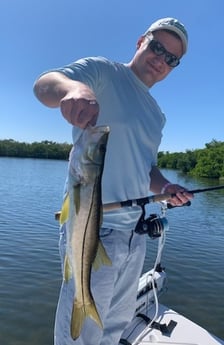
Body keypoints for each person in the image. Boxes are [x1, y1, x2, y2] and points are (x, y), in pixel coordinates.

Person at [33, 17, 193, 345]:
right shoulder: (105, 72)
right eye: (158, 47)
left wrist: (164, 188)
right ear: (140, 42)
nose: (161, 59)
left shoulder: (156, 114)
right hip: (94, 229)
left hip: (135, 237)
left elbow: (145, 169)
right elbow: (44, 86)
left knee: (114, 329)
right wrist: (74, 89)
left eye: (172, 58)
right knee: (80, 335)